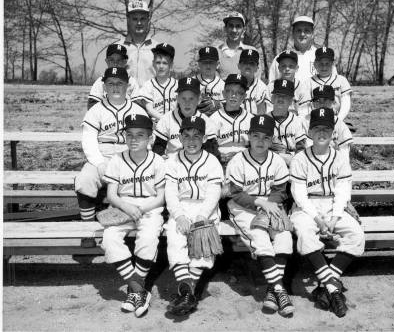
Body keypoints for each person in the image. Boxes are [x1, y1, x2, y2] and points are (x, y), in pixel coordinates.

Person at [289, 107, 365, 318]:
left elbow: (342, 191)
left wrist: (333, 218)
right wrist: (317, 219)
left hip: (334, 206)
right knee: (305, 234)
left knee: (356, 235)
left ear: (333, 133)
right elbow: (300, 195)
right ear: (310, 133)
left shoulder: (340, 157)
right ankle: (334, 289)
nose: (322, 133)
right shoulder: (300, 159)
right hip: (307, 208)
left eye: (327, 129)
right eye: (317, 129)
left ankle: (324, 286)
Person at [226, 115, 294, 317]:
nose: (260, 141)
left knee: (284, 238)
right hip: (243, 207)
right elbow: (236, 193)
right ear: (249, 137)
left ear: (272, 139)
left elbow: (281, 190)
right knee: (261, 240)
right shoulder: (238, 160)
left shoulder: (277, 160)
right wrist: (260, 203)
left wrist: (269, 204)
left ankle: (272, 292)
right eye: (256, 136)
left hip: (271, 204)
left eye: (266, 137)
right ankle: (281, 290)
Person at [101, 114, 165, 318]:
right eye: (129, 135)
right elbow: (111, 194)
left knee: (147, 239)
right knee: (109, 239)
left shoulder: (157, 161)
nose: (134, 139)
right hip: (122, 206)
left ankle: (134, 290)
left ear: (150, 138)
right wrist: (126, 207)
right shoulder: (117, 159)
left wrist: (143, 209)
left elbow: (161, 197)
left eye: (140, 135)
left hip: (150, 206)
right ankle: (139, 290)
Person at [164, 116, 224, 316]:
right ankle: (189, 293)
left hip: (205, 209)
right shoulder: (172, 160)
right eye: (186, 136)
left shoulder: (212, 161)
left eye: (196, 136)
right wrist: (179, 216)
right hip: (180, 207)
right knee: (175, 238)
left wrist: (201, 216)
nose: (191, 141)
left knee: (204, 245)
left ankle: (185, 292)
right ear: (179, 137)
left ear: (204, 138)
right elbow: (170, 193)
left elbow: (214, 193)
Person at [74, 67, 148, 225]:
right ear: (104, 87)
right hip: (103, 155)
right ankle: (87, 229)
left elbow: (147, 139)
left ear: (127, 86)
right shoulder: (96, 110)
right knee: (85, 179)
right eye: (111, 83)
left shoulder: (137, 110)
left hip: (130, 156)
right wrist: (99, 162)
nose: (115, 87)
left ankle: (136, 226)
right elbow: (88, 139)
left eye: (120, 83)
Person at [153, 77, 219, 158]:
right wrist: (161, 156)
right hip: (173, 164)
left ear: (199, 99)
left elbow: (212, 152)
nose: (187, 103)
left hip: (197, 163)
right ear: (177, 99)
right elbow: (158, 148)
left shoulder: (206, 121)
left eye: (191, 98)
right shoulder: (166, 119)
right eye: (183, 98)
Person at [299, 85, 353, 161]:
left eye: (325, 100)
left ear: (333, 102)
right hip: (310, 162)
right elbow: (302, 148)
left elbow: (344, 153)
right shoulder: (304, 121)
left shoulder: (339, 123)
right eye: (318, 101)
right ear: (313, 103)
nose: (322, 104)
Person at [210, 74, 253, 166]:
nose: (234, 95)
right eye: (230, 91)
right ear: (224, 93)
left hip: (246, 160)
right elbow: (210, 147)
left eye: (239, 92)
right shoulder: (214, 118)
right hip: (221, 161)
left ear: (244, 96)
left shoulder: (251, 119)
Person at [301, 47, 352, 122]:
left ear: (333, 64)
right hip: (315, 120)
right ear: (315, 64)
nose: (324, 66)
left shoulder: (341, 80)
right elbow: (305, 107)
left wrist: (338, 120)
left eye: (327, 63)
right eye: (321, 63)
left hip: (337, 118)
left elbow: (346, 104)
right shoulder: (308, 82)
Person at [131, 43, 178, 122]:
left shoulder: (178, 85)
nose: (161, 66)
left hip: (176, 123)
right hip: (156, 125)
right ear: (153, 63)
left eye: (165, 63)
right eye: (158, 62)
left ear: (171, 65)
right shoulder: (148, 85)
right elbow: (149, 109)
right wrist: (167, 120)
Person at [118, 0, 159, 87]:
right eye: (135, 19)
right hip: (126, 99)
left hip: (151, 99)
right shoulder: (118, 48)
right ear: (128, 20)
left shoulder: (158, 48)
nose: (139, 23)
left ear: (148, 20)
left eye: (143, 19)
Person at [88, 44, 139, 110]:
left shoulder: (132, 82)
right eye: (112, 60)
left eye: (119, 60)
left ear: (125, 62)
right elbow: (92, 106)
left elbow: (138, 107)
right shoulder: (100, 82)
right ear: (106, 61)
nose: (115, 63)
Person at [268, 15, 317, 83]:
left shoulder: (321, 56)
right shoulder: (281, 57)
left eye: (307, 30)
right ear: (293, 34)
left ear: (312, 34)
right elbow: (272, 85)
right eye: (299, 30)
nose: (302, 34)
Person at [267, 79, 304, 167]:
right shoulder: (264, 120)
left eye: (285, 96)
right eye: (278, 95)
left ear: (291, 101)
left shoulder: (296, 121)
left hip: (294, 164)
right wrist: (282, 156)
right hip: (271, 165)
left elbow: (301, 149)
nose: (281, 98)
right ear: (272, 98)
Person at [217, 12, 261, 80]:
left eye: (238, 26)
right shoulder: (216, 51)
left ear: (243, 30)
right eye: (231, 26)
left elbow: (256, 80)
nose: (234, 30)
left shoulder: (253, 51)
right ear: (225, 29)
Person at [268, 50, 311, 116]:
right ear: (279, 68)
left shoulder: (302, 88)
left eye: (291, 66)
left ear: (297, 68)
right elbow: (268, 110)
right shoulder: (271, 87)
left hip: (295, 124)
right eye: (283, 66)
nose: (287, 69)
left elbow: (304, 114)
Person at [238, 49, 270, 114]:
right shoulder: (231, 85)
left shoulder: (262, 87)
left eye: (252, 64)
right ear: (239, 65)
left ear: (257, 68)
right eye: (245, 62)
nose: (248, 66)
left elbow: (261, 114)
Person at [195, 46, 225, 116]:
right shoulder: (191, 83)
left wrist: (217, 104)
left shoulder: (223, 85)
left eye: (211, 62)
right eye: (205, 62)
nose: (208, 66)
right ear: (199, 64)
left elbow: (229, 106)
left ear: (217, 64)